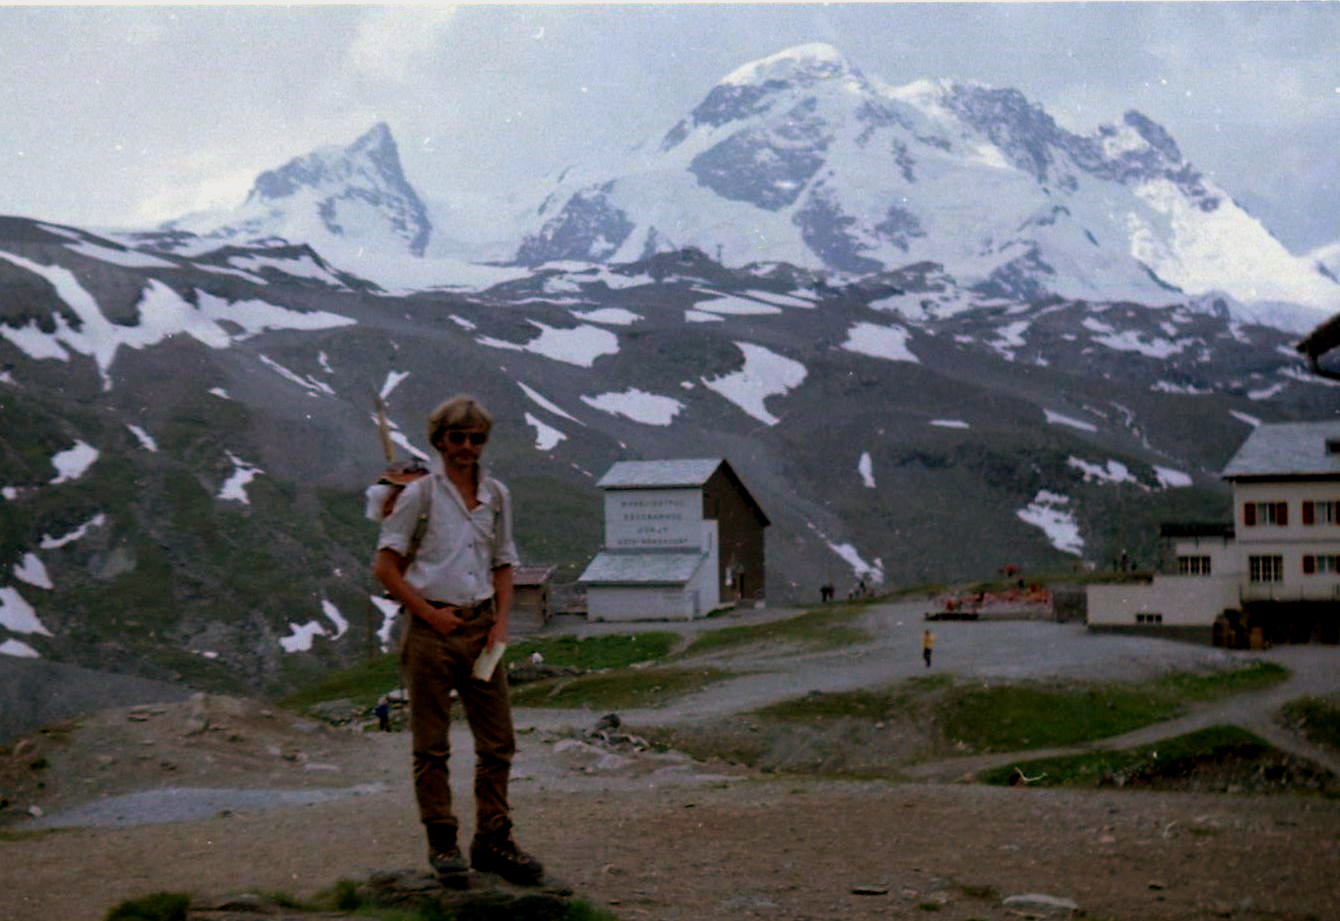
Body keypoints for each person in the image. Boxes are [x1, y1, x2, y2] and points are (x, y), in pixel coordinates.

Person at [372, 395, 543, 887]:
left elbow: (503, 561)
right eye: (456, 438)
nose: (466, 447)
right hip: (430, 633)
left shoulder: (496, 495)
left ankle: (493, 840)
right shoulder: (418, 496)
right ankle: (442, 843)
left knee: (499, 743)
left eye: (475, 438)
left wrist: (501, 622)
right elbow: (385, 566)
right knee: (432, 746)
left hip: (482, 628)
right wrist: (429, 613)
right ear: (439, 441)